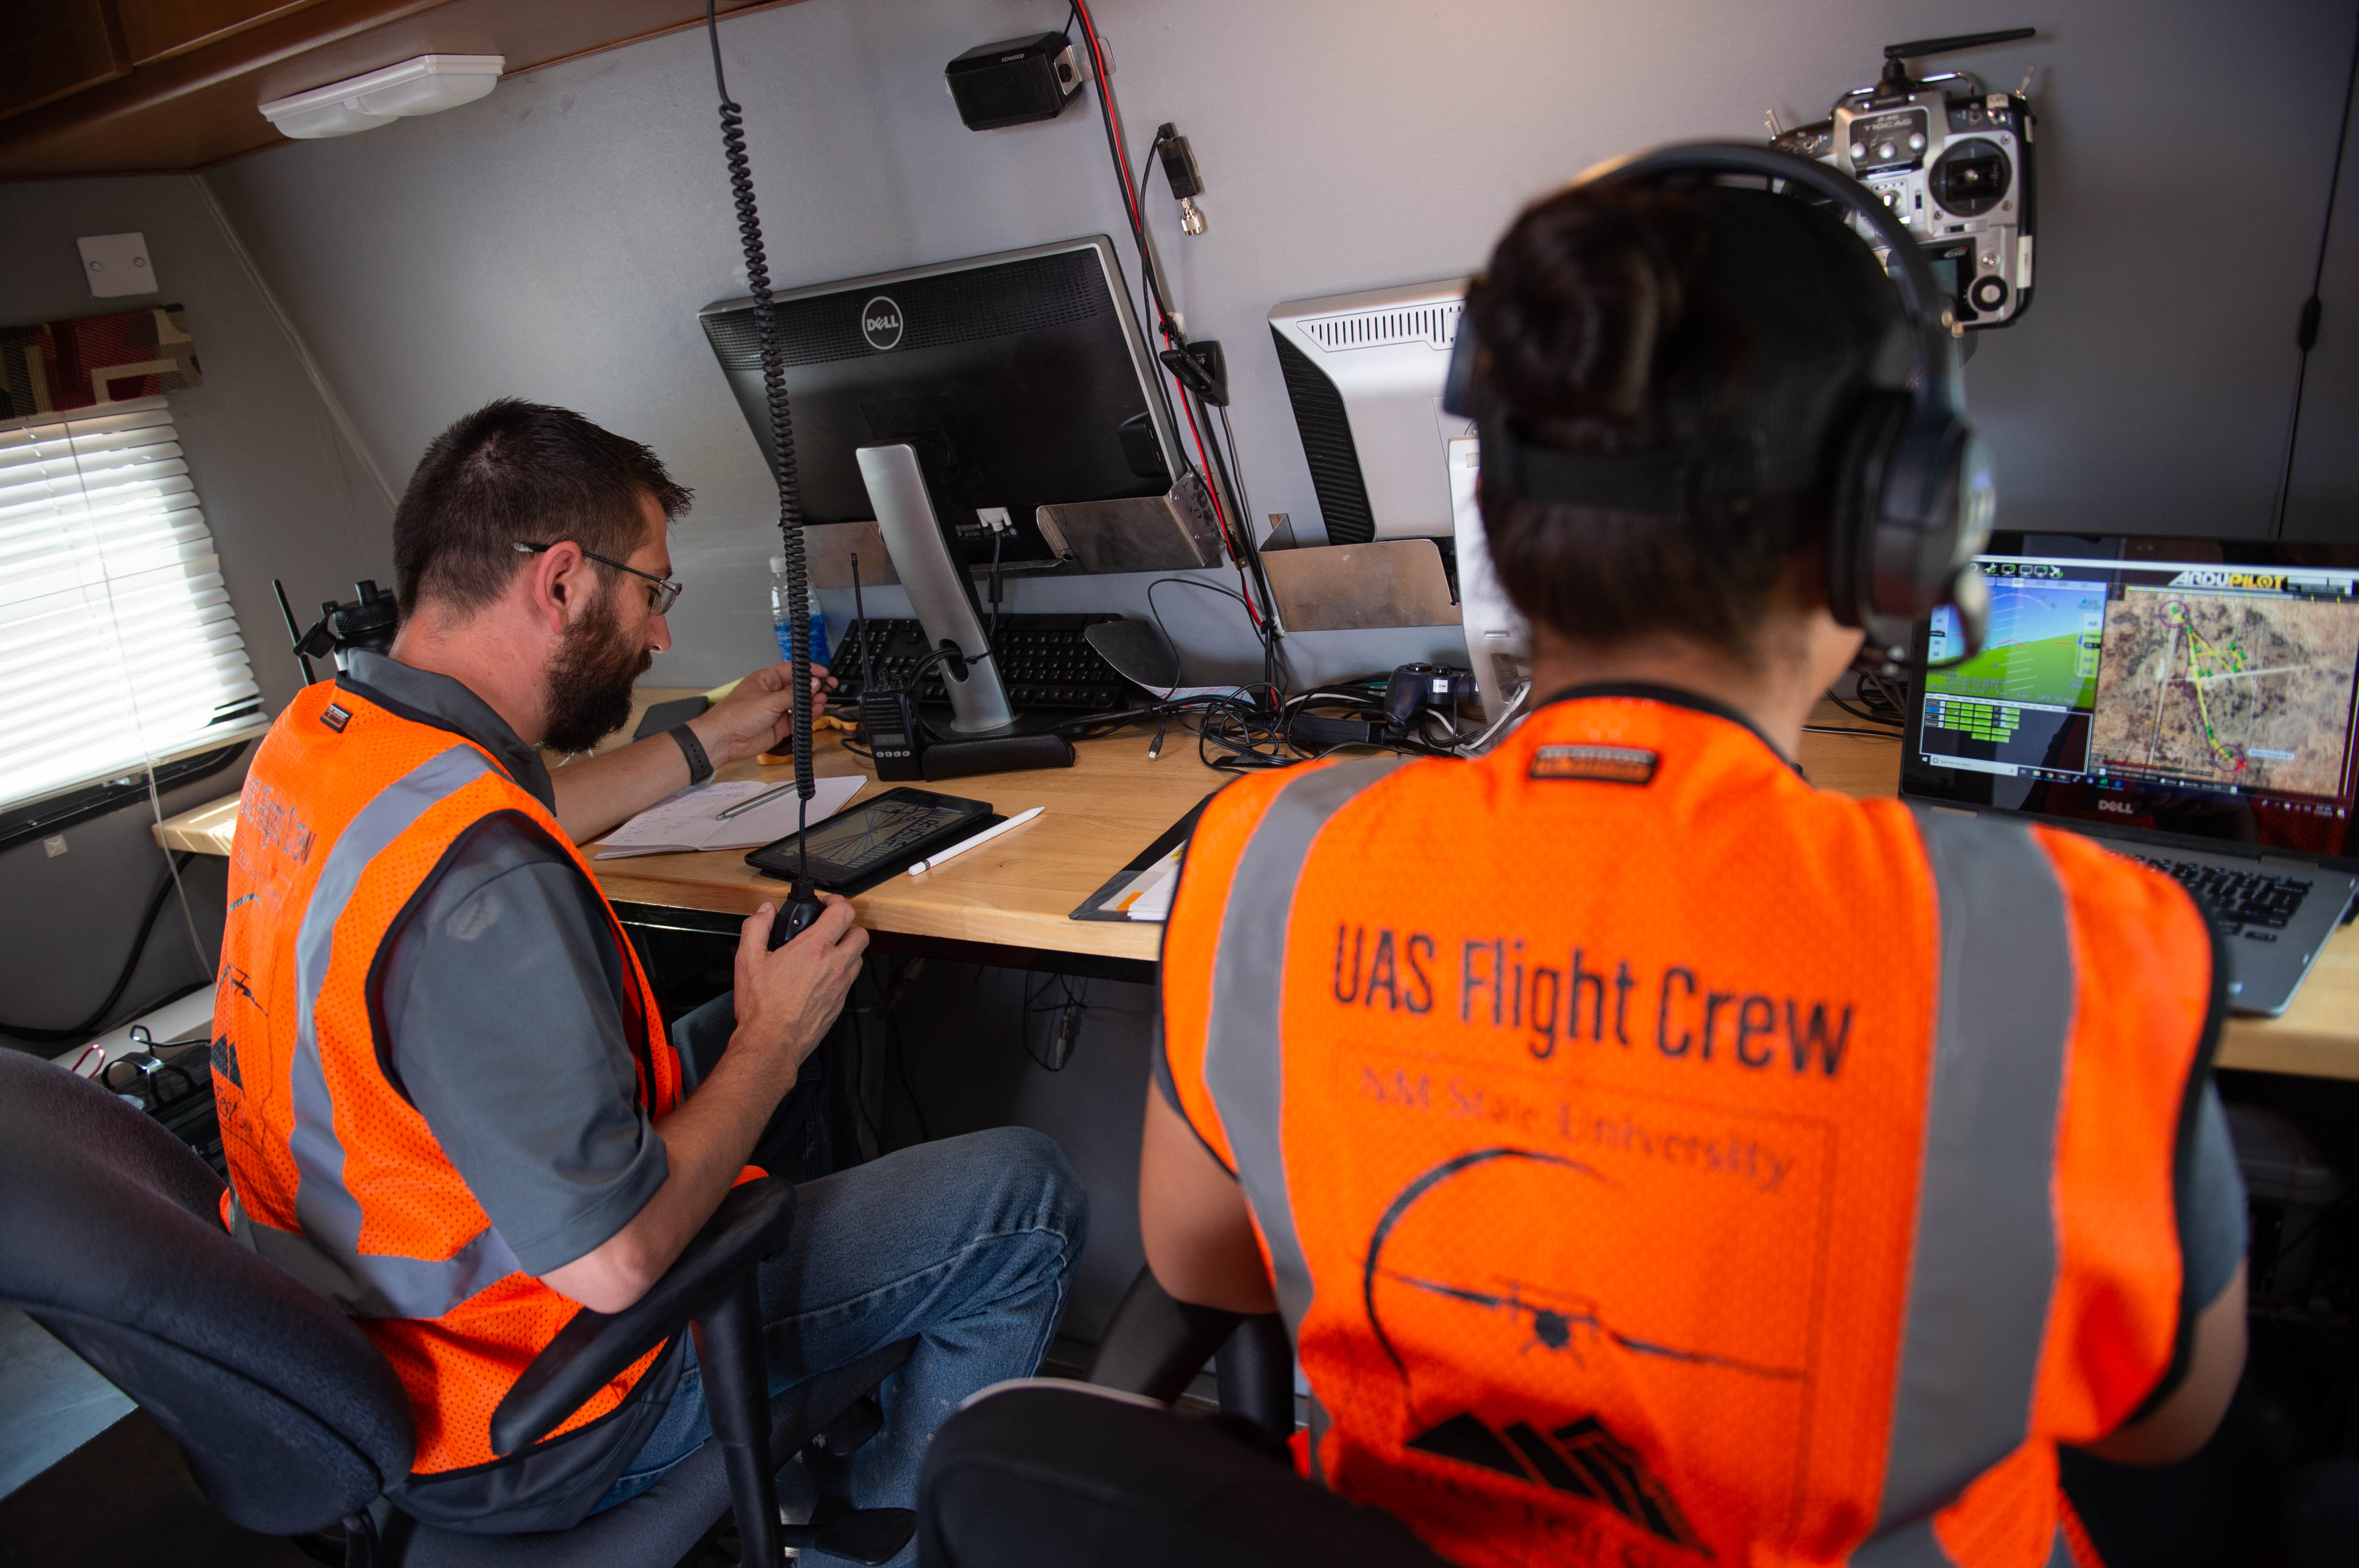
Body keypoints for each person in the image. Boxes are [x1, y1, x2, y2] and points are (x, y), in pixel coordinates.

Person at [919, 176, 2246, 1565]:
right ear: (1889, 532)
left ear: (1494, 514)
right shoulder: (2069, 938)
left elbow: (1204, 1266)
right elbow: (2166, 1415)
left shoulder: (1268, 860)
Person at [210, 399, 1085, 1547]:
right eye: (652, 593)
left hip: (352, 1331)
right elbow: (619, 1261)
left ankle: (814, 1413)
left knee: (794, 1027)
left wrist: (706, 742)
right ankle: (881, 1530)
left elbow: (510, 812)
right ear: (562, 581)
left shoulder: (328, 739)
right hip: (531, 1392)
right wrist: (771, 1040)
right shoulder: (485, 892)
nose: (661, 638)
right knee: (1022, 1194)